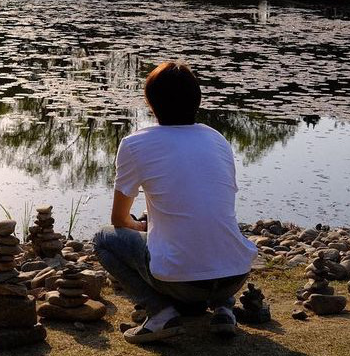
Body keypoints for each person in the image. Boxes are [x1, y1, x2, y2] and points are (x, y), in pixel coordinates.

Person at [93, 62, 257, 344]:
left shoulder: (135, 144)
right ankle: (224, 309)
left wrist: (141, 226)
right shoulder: (216, 138)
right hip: (235, 274)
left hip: (181, 282)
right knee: (210, 224)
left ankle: (159, 315)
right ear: (197, 100)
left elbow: (120, 220)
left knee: (103, 239)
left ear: (150, 103)